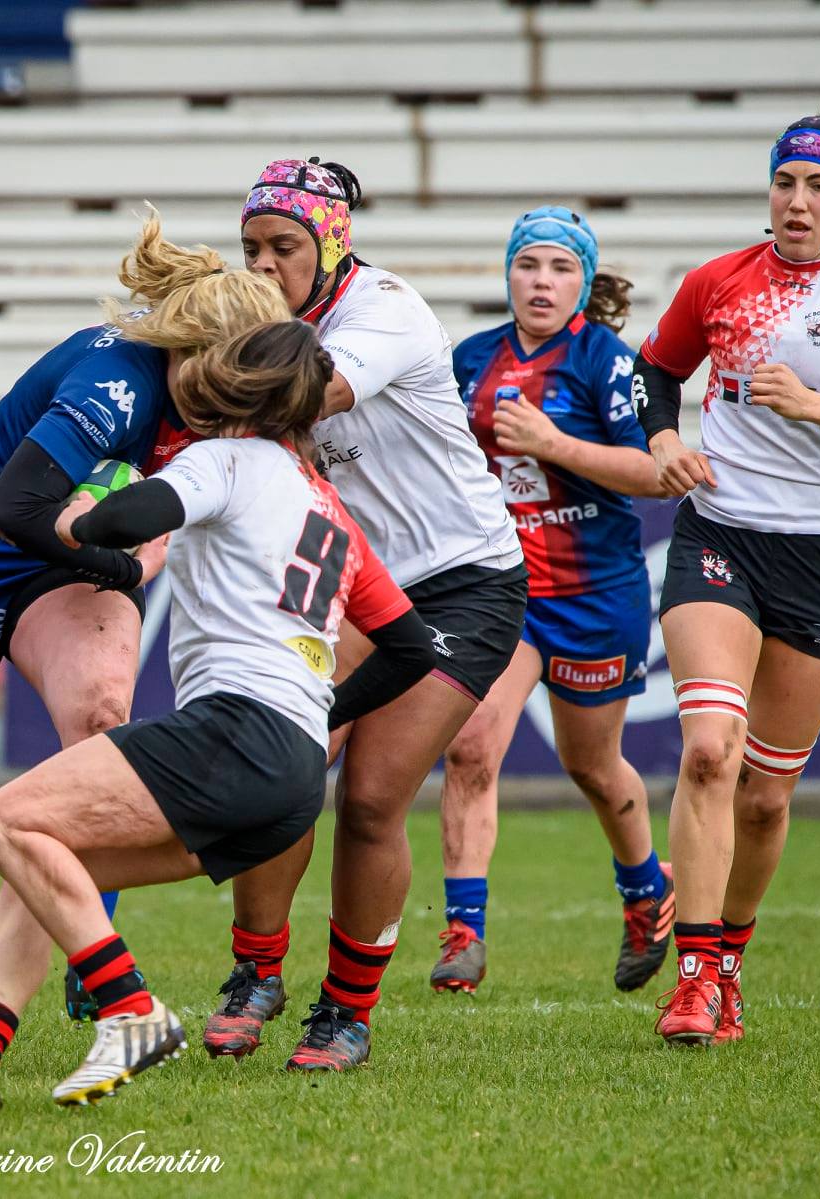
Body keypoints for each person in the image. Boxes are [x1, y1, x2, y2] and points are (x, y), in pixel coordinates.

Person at [0, 321, 436, 1110]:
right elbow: (408, 647)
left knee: (6, 821)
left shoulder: (222, 456)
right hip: (294, 771)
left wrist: (75, 517)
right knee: (51, 861)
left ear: (236, 393)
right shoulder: (328, 508)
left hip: (235, 729)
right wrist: (320, 706)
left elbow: (115, 525)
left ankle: (129, 1011)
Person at [0, 210, 292, 1071]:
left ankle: (85, 942)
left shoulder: (208, 387)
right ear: (198, 351)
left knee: (102, 717)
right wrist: (120, 565)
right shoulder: (117, 380)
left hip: (58, 544)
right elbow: (14, 508)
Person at [198, 157, 528, 1071]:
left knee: (374, 794)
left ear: (332, 241)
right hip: (347, 578)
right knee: (281, 763)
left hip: (463, 579)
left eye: (285, 246)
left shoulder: (383, 308)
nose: (263, 265)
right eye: (251, 248)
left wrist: (194, 366)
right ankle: (255, 971)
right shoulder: (266, 317)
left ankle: (345, 1009)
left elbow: (312, 391)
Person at [638, 93, 820, 1046]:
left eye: (818, 185)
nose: (797, 201)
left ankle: (727, 958)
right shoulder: (719, 278)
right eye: (784, 181)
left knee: (767, 792)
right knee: (707, 750)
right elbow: (656, 369)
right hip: (719, 532)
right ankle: (690, 979)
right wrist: (661, 435)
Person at [435, 207, 672, 996]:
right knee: (470, 746)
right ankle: (464, 933)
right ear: (508, 274)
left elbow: (651, 474)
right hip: (503, 591)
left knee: (593, 766)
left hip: (595, 593)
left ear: (583, 280)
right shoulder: (468, 361)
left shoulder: (606, 361)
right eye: (529, 265)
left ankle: (646, 890)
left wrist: (551, 443)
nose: (542, 281)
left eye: (560, 268)